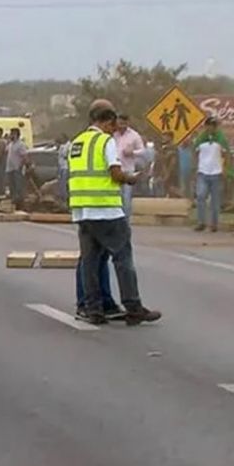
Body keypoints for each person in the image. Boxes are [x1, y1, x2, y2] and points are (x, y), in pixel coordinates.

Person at [69, 100, 161, 326]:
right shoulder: (105, 141)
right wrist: (132, 179)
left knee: (90, 262)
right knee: (123, 259)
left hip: (83, 212)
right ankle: (133, 306)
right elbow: (115, 173)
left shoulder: (77, 142)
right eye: (113, 125)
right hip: (107, 210)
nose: (115, 129)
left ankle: (94, 310)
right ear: (107, 121)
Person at [193, 117, 230, 232]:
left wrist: (225, 168)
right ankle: (201, 222)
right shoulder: (200, 139)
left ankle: (214, 224)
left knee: (215, 200)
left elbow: (226, 154)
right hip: (203, 172)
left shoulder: (221, 139)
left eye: (214, 126)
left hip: (216, 172)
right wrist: (195, 167)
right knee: (201, 196)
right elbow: (195, 152)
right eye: (209, 125)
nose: (212, 128)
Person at [113, 114, 145, 218]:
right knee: (116, 198)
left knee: (126, 198)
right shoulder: (113, 134)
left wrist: (133, 152)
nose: (121, 126)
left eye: (124, 123)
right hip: (115, 171)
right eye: (119, 123)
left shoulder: (134, 135)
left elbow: (143, 151)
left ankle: (125, 221)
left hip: (128, 171)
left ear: (128, 123)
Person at [5, 127, 28, 209]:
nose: (11, 135)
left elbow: (24, 157)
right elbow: (6, 152)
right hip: (9, 168)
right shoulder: (10, 144)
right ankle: (13, 203)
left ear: (17, 135)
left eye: (12, 134)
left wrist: (20, 166)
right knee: (11, 187)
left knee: (18, 187)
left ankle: (20, 204)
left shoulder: (21, 144)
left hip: (17, 169)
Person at [55, 134, 70, 204]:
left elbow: (66, 155)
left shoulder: (69, 145)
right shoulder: (61, 146)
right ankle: (62, 198)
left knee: (64, 184)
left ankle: (65, 199)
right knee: (61, 184)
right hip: (61, 167)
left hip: (66, 167)